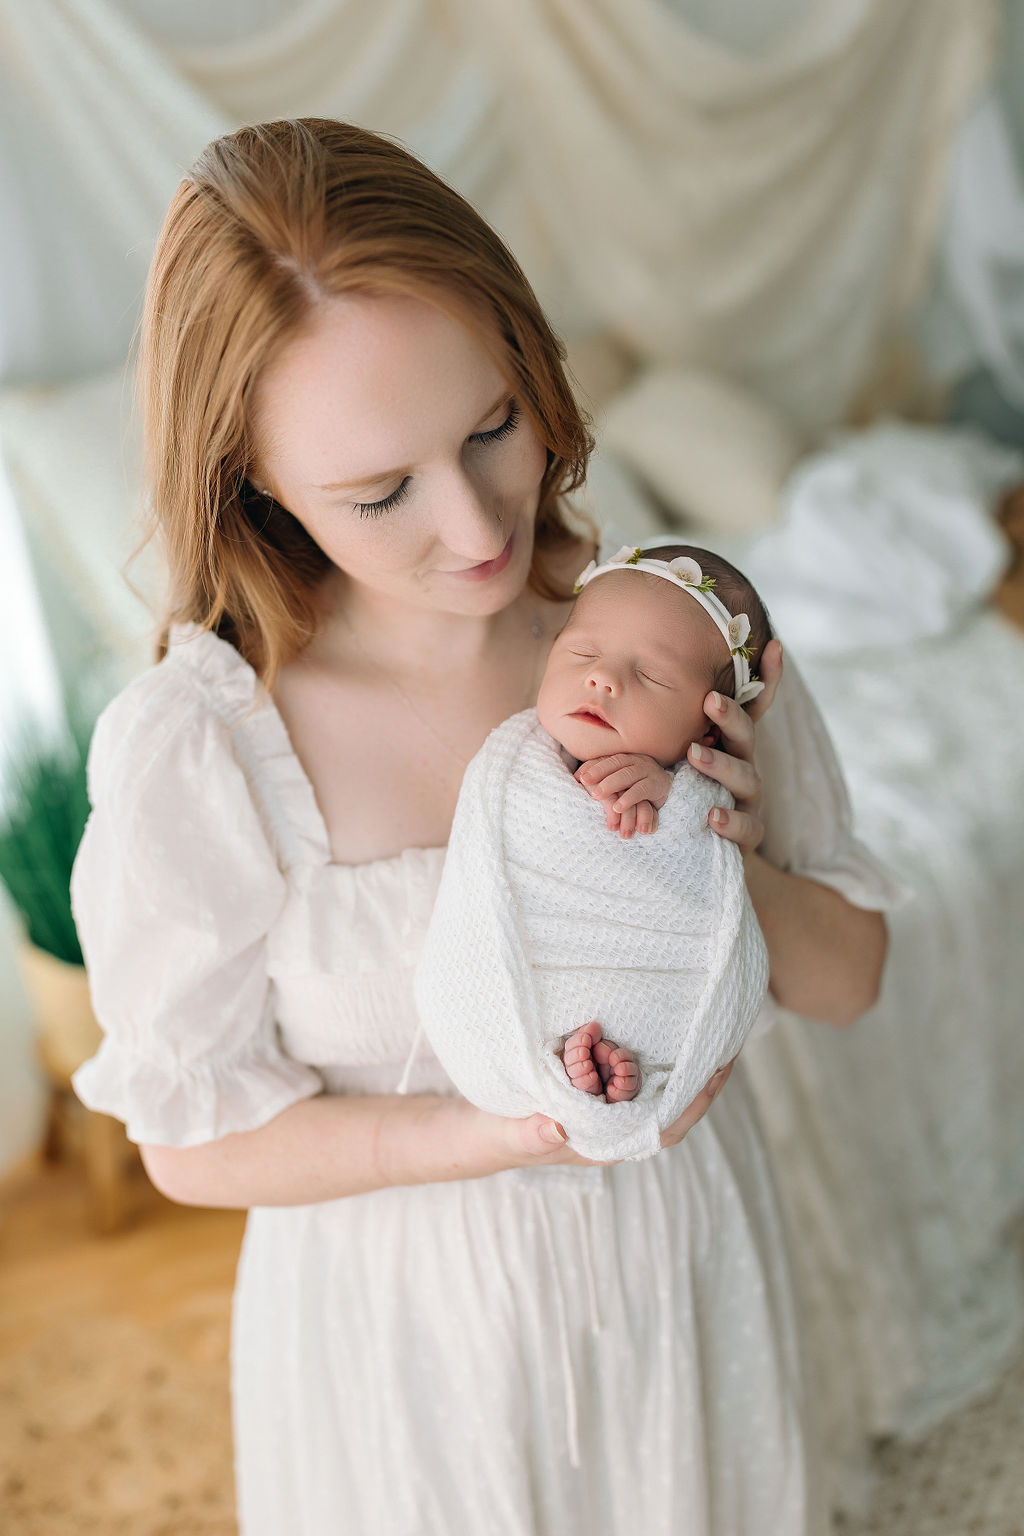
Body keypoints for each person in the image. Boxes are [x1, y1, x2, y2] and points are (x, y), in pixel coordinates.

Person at [70, 118, 889, 1535]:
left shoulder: (669, 637)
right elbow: (189, 1142)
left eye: (491, 425)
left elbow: (850, 980)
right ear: (253, 481)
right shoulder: (202, 748)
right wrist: (497, 1135)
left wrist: (725, 864)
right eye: (379, 492)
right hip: (406, 1345)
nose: (472, 525)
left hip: (684, 1280)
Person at [415, 542, 775, 1162]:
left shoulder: (695, 785)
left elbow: (692, 871)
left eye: (653, 675)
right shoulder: (514, 765)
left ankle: (603, 1069)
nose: (602, 677)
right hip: (505, 1009)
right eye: (582, 652)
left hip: (655, 1004)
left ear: (708, 727)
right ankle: (575, 1066)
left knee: (636, 1026)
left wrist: (680, 798)